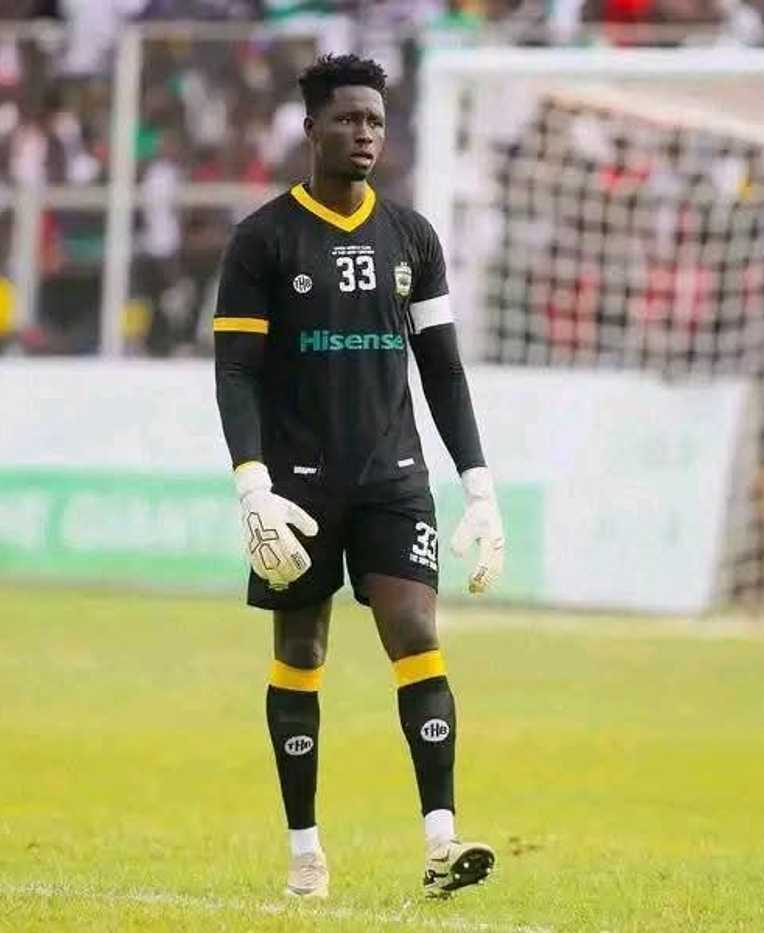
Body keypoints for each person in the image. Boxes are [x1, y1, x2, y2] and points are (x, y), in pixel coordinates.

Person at [213, 54, 505, 900]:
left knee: (415, 630)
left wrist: (479, 484)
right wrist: (252, 483)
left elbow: (443, 371)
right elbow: (235, 370)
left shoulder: (412, 237)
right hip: (297, 487)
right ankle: (305, 848)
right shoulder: (263, 239)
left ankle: (442, 841)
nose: (365, 134)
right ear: (311, 129)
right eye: (347, 120)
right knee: (301, 650)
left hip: (393, 478)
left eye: (375, 121)